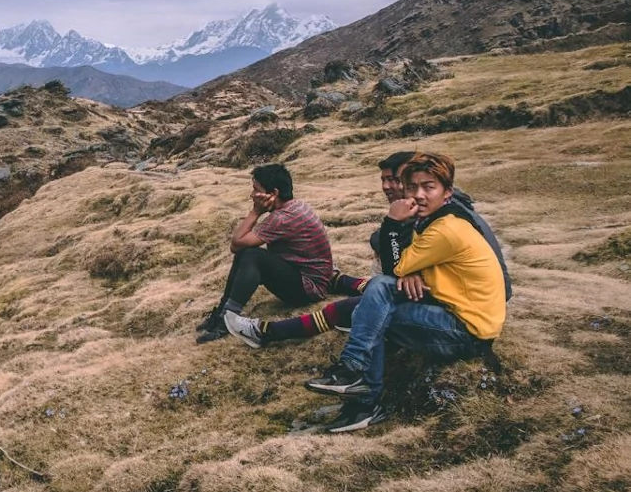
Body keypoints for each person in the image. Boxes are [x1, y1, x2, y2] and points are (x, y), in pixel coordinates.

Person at [304, 153, 507, 432]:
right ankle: (354, 376)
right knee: (379, 290)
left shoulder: (446, 229)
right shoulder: (440, 218)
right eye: (412, 187)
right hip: (454, 310)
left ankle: (361, 391)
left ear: (447, 192)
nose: (419, 195)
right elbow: (398, 270)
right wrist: (407, 269)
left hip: (467, 331)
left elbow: (394, 265)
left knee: (377, 311)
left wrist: (392, 222)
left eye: (429, 187)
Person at [225, 152, 513, 348]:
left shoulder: (444, 219)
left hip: (461, 308)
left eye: (396, 181)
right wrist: (410, 266)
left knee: (353, 306)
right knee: (375, 288)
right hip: (460, 296)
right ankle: (338, 288)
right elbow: (387, 242)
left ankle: (265, 332)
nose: (389, 187)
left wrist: (408, 268)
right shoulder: (438, 210)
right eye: (385, 180)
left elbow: (401, 255)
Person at [196, 164, 334, 343]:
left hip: (309, 289)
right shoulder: (294, 206)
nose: (252, 195)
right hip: (307, 277)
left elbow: (236, 244)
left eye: (256, 190)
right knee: (247, 255)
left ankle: (226, 321)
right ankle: (222, 312)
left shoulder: (282, 219)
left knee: (251, 256)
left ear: (273, 193)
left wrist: (255, 211)